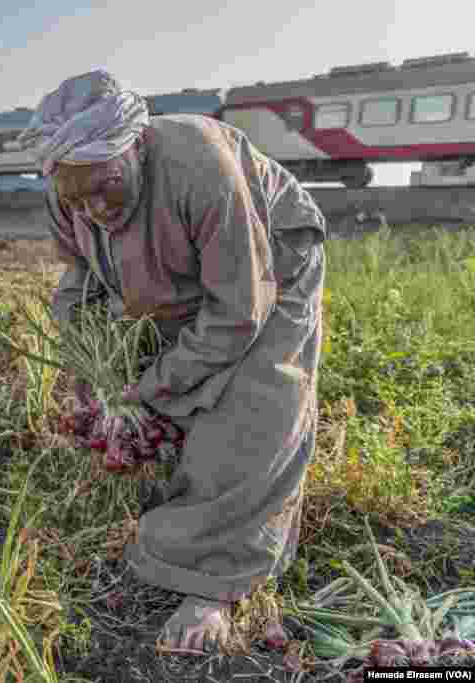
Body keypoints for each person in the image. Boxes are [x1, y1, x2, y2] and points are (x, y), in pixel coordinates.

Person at [17, 70, 326, 654]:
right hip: (173, 281)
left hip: (268, 269)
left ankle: (219, 580)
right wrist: (86, 359)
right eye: (77, 197)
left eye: (106, 184)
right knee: (173, 383)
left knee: (250, 407)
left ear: (136, 145)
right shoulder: (69, 193)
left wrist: (154, 388)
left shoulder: (202, 166)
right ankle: (188, 518)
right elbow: (80, 280)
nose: (95, 207)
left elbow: (239, 310)